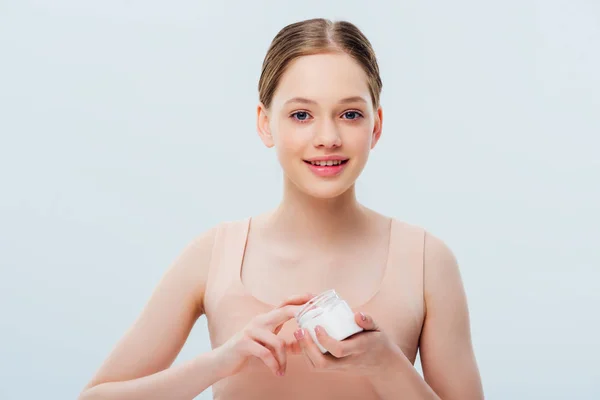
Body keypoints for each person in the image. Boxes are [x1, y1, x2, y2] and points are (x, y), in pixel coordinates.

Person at [78, 18, 484, 400]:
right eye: (301, 115)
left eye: (350, 114)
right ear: (265, 123)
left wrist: (388, 366)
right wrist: (220, 363)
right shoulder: (213, 256)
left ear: (375, 126)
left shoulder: (429, 261)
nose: (327, 137)